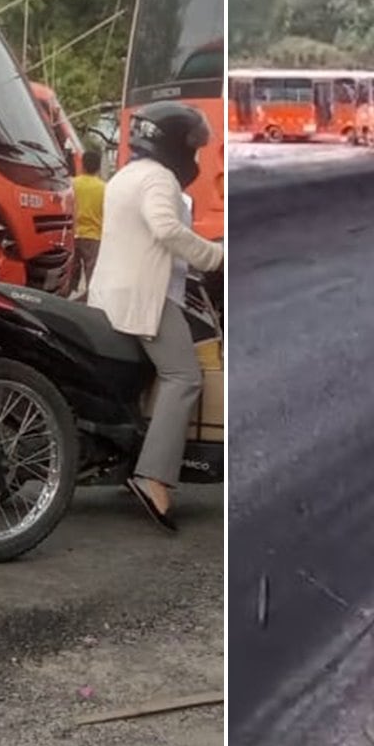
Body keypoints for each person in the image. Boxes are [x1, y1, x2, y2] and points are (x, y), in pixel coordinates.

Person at [86, 102, 224, 532]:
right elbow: (164, 228)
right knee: (185, 377)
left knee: (149, 379)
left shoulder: (126, 174)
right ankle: (153, 477)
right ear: (174, 144)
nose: (197, 159)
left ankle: (136, 461)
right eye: (194, 149)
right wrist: (216, 256)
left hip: (112, 293)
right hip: (146, 298)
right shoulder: (160, 179)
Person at [71, 148, 106, 296]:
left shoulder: (72, 184)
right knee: (92, 276)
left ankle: (66, 301)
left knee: (71, 273)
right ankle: (89, 302)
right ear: (98, 167)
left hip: (73, 235)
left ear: (82, 165)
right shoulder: (104, 188)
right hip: (94, 237)